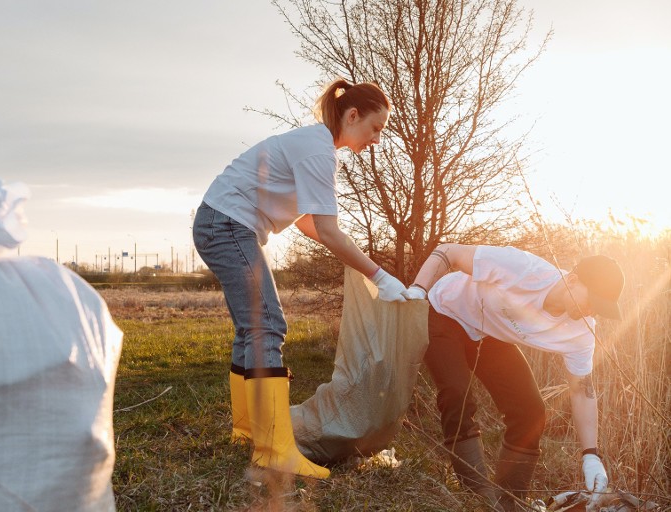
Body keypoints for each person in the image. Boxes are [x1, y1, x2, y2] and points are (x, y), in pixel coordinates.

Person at [192, 79, 410, 479]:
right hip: (227, 224)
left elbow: (310, 223)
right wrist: (379, 275)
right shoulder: (318, 151)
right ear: (352, 115)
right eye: (375, 128)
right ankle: (274, 449)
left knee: (252, 328)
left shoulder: (316, 146)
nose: (377, 139)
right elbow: (326, 229)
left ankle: (248, 433)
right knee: (267, 325)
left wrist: (357, 260)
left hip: (222, 222)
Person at [407, 244, 623, 510]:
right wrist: (419, 289)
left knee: (531, 411)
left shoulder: (581, 332)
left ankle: (508, 501)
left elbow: (582, 390)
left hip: (488, 334)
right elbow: (449, 251)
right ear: (573, 280)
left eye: (600, 308)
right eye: (592, 300)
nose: (592, 311)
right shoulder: (523, 268)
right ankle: (477, 497)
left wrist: (591, 455)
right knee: (457, 393)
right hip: (445, 311)